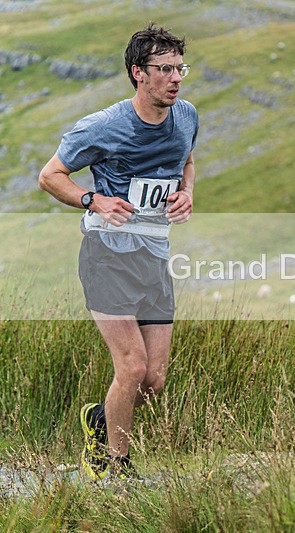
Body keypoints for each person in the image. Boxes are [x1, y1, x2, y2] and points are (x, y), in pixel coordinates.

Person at [38, 23, 198, 479]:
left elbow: (186, 160)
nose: (175, 78)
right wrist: (94, 200)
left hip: (153, 256)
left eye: (179, 68)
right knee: (131, 368)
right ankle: (114, 468)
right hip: (106, 256)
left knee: (153, 379)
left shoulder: (186, 116)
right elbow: (51, 176)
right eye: (163, 69)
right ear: (138, 73)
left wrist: (186, 193)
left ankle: (99, 421)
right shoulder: (104, 126)